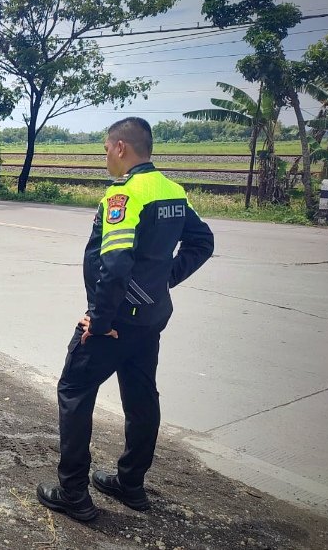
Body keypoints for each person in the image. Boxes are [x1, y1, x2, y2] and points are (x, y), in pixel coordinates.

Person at [36, 117, 215, 521]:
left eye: (105, 150)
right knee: (140, 395)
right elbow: (203, 241)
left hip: (116, 320)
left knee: (74, 390)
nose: (105, 159)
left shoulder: (125, 195)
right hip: (150, 318)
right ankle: (131, 484)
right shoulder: (173, 191)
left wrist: (99, 321)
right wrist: (164, 278)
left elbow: (114, 263)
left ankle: (73, 494)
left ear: (120, 148)